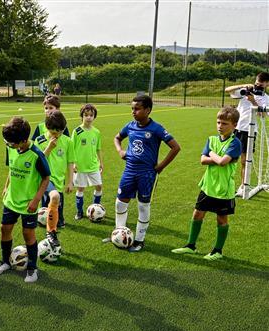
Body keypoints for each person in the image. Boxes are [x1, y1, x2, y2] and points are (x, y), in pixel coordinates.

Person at [105, 94, 180, 252]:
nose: (133, 112)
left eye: (137, 109)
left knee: (143, 206)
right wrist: (120, 151)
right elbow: (117, 138)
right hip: (129, 171)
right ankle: (119, 234)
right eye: (132, 108)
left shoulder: (156, 128)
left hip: (147, 174)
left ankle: (139, 240)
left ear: (148, 110)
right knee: (120, 202)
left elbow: (175, 147)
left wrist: (161, 166)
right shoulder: (130, 126)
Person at [172, 106, 241, 261]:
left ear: (234, 125)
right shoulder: (211, 139)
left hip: (223, 189)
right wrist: (214, 157)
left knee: (221, 219)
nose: (220, 126)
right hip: (207, 186)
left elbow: (223, 162)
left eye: (225, 124)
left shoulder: (235, 143)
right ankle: (190, 246)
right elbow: (202, 161)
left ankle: (217, 251)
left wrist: (211, 153)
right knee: (197, 214)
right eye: (218, 122)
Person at [0, 117, 50, 283]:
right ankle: (5, 262)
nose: (9, 145)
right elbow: (11, 167)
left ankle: (32, 269)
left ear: (24, 141)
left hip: (28, 203)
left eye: (12, 143)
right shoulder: (10, 147)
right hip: (11, 199)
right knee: (4, 228)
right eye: (7, 142)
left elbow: (46, 177)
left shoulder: (36, 155)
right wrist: (6, 186)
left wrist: (36, 200)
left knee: (27, 233)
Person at [224, 72, 269, 196]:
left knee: (244, 160)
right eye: (256, 83)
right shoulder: (247, 90)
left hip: (249, 130)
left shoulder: (266, 99)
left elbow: (263, 115)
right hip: (235, 128)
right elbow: (227, 90)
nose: (257, 86)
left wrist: (253, 101)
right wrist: (244, 86)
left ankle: (243, 187)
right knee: (229, 158)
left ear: (267, 84)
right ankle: (228, 184)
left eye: (260, 85)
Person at [35, 110, 75, 247]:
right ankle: (50, 234)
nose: (56, 135)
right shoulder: (39, 140)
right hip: (44, 180)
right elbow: (38, 163)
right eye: (53, 132)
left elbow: (70, 162)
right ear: (47, 128)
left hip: (59, 181)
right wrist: (49, 148)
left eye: (60, 132)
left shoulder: (68, 141)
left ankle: (50, 228)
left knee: (55, 215)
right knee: (54, 198)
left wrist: (70, 181)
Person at [71, 104, 103, 220]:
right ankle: (79, 211)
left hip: (93, 165)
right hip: (80, 166)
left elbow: (98, 148)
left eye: (91, 115)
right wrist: (74, 163)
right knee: (80, 189)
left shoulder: (97, 132)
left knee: (99, 186)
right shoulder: (77, 131)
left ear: (94, 117)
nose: (89, 117)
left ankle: (96, 208)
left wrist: (101, 162)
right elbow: (71, 149)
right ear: (82, 116)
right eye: (86, 115)